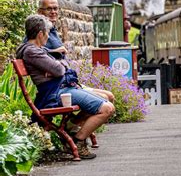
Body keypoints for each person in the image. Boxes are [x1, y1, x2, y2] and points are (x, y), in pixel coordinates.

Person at [16, 15, 115, 159]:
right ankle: (77, 141)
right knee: (107, 109)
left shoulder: (38, 49)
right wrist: (57, 67)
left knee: (106, 100)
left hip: (62, 88)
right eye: (47, 33)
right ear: (40, 34)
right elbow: (60, 70)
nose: (48, 36)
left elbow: (61, 66)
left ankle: (70, 128)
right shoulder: (33, 51)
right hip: (55, 93)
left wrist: (57, 66)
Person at [36, 0, 115, 103]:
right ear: (40, 12)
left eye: (55, 8)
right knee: (105, 98)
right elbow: (30, 50)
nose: (53, 12)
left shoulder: (51, 29)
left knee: (109, 96)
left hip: (67, 81)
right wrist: (54, 52)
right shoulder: (38, 31)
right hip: (57, 87)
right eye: (49, 9)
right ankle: (79, 120)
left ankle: (78, 121)